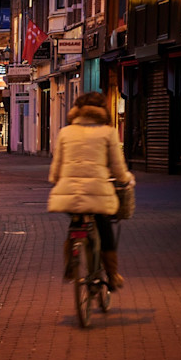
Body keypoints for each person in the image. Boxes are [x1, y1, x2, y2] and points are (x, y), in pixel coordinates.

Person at [48, 91, 134, 290]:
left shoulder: (65, 132)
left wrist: (56, 180)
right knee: (105, 229)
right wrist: (126, 179)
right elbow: (118, 168)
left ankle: (71, 265)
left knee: (75, 223)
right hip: (98, 193)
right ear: (102, 110)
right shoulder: (107, 132)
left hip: (69, 193)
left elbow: (55, 169)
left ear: (77, 110)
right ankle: (112, 276)